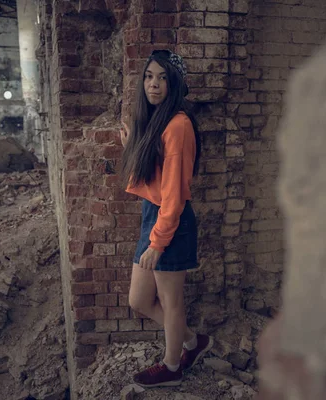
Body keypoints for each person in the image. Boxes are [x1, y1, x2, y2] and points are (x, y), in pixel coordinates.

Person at [120, 49, 213, 388]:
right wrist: (133, 147)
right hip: (154, 217)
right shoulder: (156, 121)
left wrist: (158, 243)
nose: (153, 84)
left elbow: (173, 194)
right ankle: (191, 341)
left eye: (161, 78)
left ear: (174, 83)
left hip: (171, 221)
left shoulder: (178, 125)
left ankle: (172, 366)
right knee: (139, 300)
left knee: (171, 302)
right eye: (148, 76)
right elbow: (153, 183)